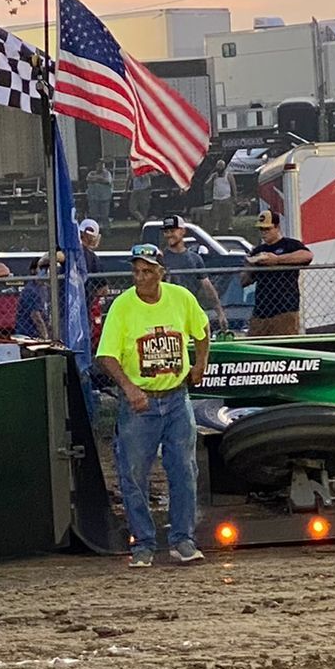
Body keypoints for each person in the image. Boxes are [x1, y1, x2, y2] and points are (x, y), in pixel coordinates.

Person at [97, 243, 211, 567]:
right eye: (136, 271)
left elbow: (202, 330)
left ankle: (183, 540)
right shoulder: (123, 306)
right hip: (140, 405)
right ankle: (143, 544)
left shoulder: (181, 298)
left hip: (176, 397)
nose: (140, 277)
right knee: (133, 474)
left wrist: (200, 363)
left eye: (147, 271)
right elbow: (106, 355)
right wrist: (130, 388)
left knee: (184, 470)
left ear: (161, 272)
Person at [242, 209, 312, 337]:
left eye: (267, 229)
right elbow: (244, 282)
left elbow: (307, 256)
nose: (264, 233)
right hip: (261, 310)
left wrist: (277, 260)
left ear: (277, 227)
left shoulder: (290, 244)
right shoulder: (258, 250)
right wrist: (250, 265)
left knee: (285, 345)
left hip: (285, 308)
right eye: (261, 230)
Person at [158, 214, 229, 335]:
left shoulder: (195, 259)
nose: (169, 234)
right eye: (166, 231)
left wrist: (220, 312)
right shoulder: (161, 259)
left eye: (172, 230)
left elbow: (207, 287)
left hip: (191, 311)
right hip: (168, 314)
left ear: (182, 231)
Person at [14, 252, 57, 341]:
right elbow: (36, 316)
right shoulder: (30, 290)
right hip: (27, 334)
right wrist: (45, 336)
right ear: (33, 271)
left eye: (47, 268)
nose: (45, 271)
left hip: (38, 333)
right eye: (42, 268)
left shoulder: (45, 288)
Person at [207, 159, 234, 234]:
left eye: (221, 167)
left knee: (228, 213)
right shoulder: (214, 176)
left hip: (227, 197)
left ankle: (229, 226)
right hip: (216, 198)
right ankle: (216, 227)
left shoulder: (228, 175)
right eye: (218, 167)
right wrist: (212, 177)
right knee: (216, 213)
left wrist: (234, 196)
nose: (219, 168)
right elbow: (207, 184)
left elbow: (233, 186)